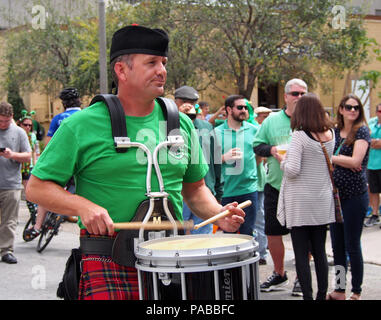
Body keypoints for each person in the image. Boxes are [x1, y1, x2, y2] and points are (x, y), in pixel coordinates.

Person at [26, 25, 245, 300]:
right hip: (107, 259)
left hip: (171, 257)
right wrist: (83, 206)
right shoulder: (81, 125)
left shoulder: (181, 125)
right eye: (151, 63)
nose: (162, 70)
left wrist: (219, 214)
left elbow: (195, 189)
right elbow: (36, 187)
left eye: (163, 63)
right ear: (122, 70)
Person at [277, 93, 335, 300]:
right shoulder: (330, 133)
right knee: (319, 251)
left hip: (300, 203)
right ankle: (321, 295)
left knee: (301, 253)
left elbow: (292, 170)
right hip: (322, 200)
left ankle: (308, 296)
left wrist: (281, 160)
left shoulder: (300, 136)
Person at [253, 78, 308, 294]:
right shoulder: (271, 121)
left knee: (303, 235)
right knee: (273, 233)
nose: (299, 98)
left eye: (303, 94)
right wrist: (273, 150)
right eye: (295, 94)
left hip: (303, 188)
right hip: (275, 185)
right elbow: (258, 146)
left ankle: (302, 277)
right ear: (286, 97)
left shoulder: (311, 119)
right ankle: (279, 273)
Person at [24, 88, 82, 241]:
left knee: (46, 192)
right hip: (83, 166)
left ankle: (37, 227)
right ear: (79, 101)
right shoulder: (86, 116)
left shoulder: (58, 119)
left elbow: (49, 146)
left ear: (63, 104)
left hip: (62, 166)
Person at [328, 94, 371, 300]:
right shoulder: (334, 131)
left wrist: (331, 157)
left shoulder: (361, 131)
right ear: (341, 109)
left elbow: (356, 161)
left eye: (356, 107)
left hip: (355, 196)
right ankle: (339, 289)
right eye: (348, 107)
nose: (352, 110)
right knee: (337, 245)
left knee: (352, 244)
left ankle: (356, 291)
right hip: (335, 196)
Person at [174, 88, 223, 235]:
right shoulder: (166, 124)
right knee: (178, 240)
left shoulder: (207, 127)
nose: (188, 106)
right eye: (183, 102)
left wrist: (218, 192)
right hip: (179, 194)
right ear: (176, 102)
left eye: (193, 103)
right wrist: (178, 119)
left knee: (204, 241)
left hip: (205, 191)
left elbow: (216, 160)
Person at [214, 94, 258, 236]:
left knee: (248, 233)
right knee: (229, 234)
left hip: (249, 189)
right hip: (227, 191)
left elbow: (259, 157)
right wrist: (224, 158)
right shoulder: (216, 132)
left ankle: (249, 259)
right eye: (240, 107)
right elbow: (208, 163)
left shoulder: (254, 130)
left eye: (246, 108)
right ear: (229, 110)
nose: (244, 110)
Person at [0, 101, 31, 264]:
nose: (3, 124)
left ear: (11, 117)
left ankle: (6, 250)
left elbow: (27, 156)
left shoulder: (19, 132)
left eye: (6, 121)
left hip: (11, 183)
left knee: (9, 219)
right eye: (0, 121)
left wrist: (12, 155)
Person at [253, 106, 272, 264]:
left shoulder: (261, 130)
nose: (265, 119)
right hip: (246, 183)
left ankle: (262, 253)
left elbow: (261, 157)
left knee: (260, 218)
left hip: (260, 181)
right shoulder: (255, 129)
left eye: (268, 116)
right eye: (263, 116)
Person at [17, 111, 39, 227]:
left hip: (28, 167)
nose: (28, 127)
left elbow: (35, 151)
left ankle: (34, 215)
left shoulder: (33, 136)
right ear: (20, 124)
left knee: (28, 192)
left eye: (30, 125)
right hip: (16, 166)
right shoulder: (17, 134)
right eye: (25, 125)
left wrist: (35, 164)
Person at [364, 102, 381, 227]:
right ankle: (375, 214)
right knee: (373, 190)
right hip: (372, 163)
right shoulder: (371, 122)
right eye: (380, 111)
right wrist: (374, 142)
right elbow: (366, 139)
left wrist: (374, 142)